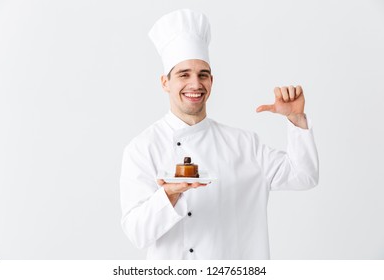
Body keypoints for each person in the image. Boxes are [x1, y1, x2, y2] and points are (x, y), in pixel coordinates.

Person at [120, 9, 319, 259]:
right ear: (165, 82)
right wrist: (169, 194)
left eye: (203, 75)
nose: (195, 84)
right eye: (184, 74)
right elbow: (137, 233)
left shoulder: (244, 145)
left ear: (211, 81)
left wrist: (296, 119)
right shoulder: (142, 148)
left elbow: (305, 176)